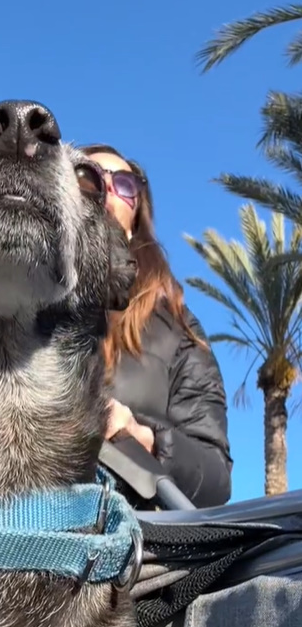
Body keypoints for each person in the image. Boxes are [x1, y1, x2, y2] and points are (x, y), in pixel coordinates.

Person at [80, 144, 232, 508]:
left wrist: (143, 437)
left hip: (128, 543)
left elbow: (216, 479)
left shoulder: (177, 331)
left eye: (124, 184)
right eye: (88, 178)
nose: (105, 192)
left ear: (134, 226)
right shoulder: (8, 300)